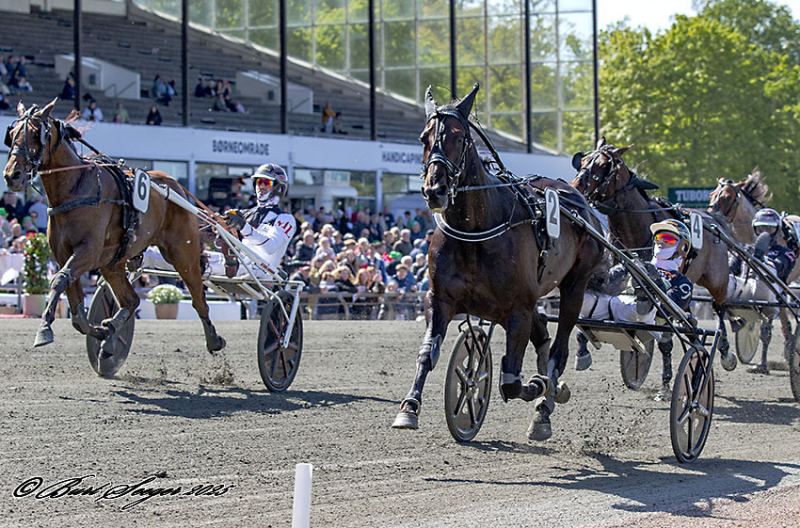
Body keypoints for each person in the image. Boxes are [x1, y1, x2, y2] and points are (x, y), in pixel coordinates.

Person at [575, 220, 736, 391]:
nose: (660, 241)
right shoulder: (635, 264)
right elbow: (608, 283)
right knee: (586, 298)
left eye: (668, 238)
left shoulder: (682, 282)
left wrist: (654, 282)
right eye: (658, 237)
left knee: (645, 308)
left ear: (682, 247)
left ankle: (646, 294)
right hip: (612, 306)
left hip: (643, 317)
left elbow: (667, 310)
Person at [142, 164, 296, 281]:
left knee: (191, 262)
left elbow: (270, 247)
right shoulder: (246, 213)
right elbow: (222, 243)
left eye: (266, 182)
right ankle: (140, 256)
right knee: (185, 253)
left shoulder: (285, 218)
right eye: (258, 182)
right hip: (235, 261)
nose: (260, 186)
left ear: (278, 188)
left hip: (257, 269)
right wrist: (217, 230)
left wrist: (243, 227)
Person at [728, 208, 796, 375]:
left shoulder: (786, 253)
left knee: (764, 276)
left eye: (769, 229)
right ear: (754, 228)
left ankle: (763, 362)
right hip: (742, 288)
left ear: (777, 230)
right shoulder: (742, 249)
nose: (764, 232)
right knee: (725, 280)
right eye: (761, 228)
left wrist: (761, 260)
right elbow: (730, 269)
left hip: (768, 293)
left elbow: (781, 267)